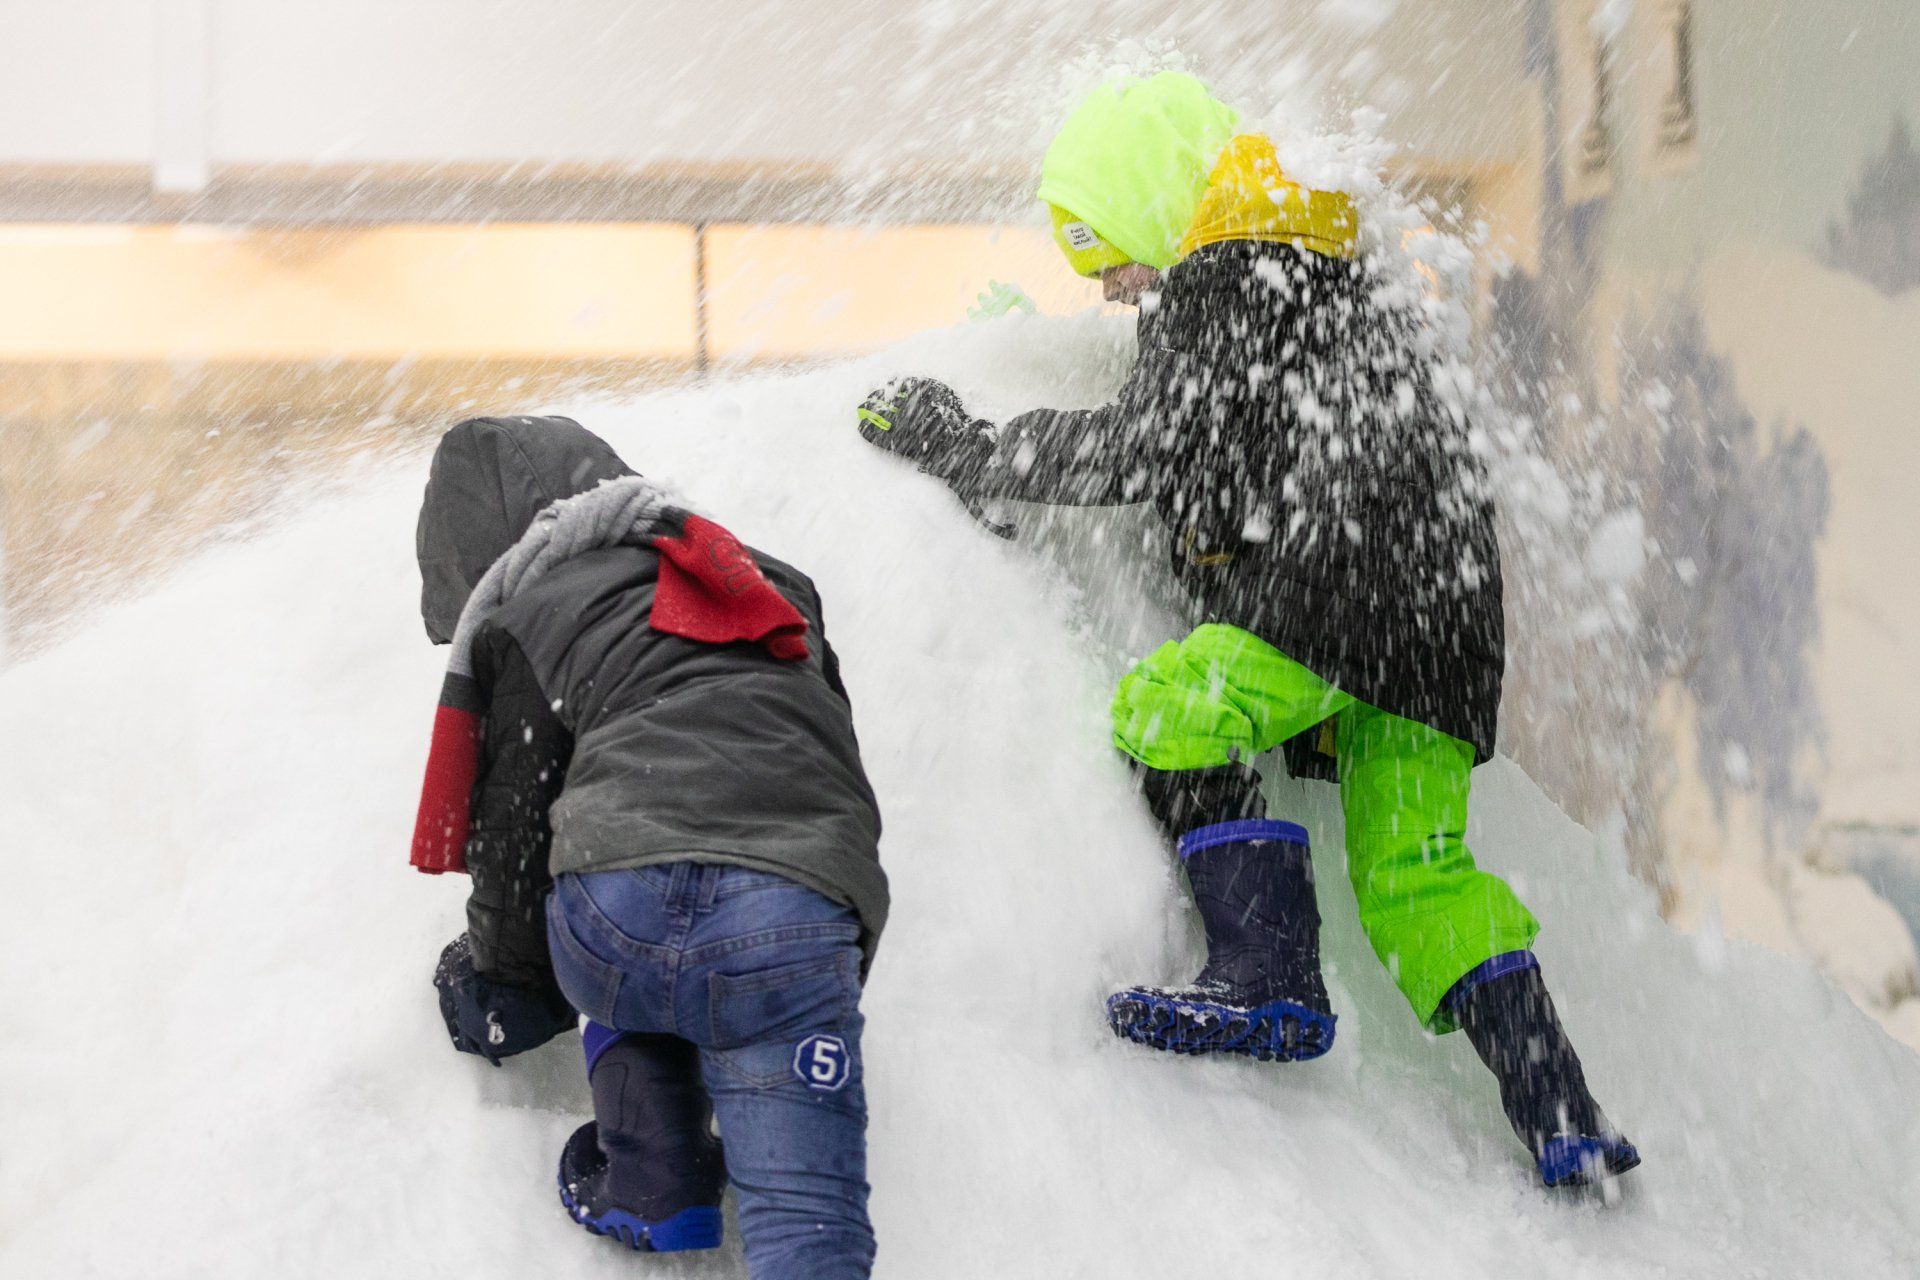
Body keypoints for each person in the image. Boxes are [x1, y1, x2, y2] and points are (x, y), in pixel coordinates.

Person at [855, 72, 1638, 1189]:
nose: (1121, 290)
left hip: (1335, 593)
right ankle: (1561, 1105)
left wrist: (974, 444)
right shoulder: (1321, 274)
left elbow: (1150, 447)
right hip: (1444, 622)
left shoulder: (1223, 277)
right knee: (1417, 871)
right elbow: (1233, 457)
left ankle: (1265, 968)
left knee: (1163, 706)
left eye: (1113, 255)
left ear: (1150, 201)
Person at [411, 415, 885, 1275]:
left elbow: (517, 832)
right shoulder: (765, 580)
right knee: (812, 1227)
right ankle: (700, 1176)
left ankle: (653, 1176)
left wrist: (502, 989)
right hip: (792, 917)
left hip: (618, 918)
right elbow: (828, 758)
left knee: (642, 934)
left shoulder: (532, 614)